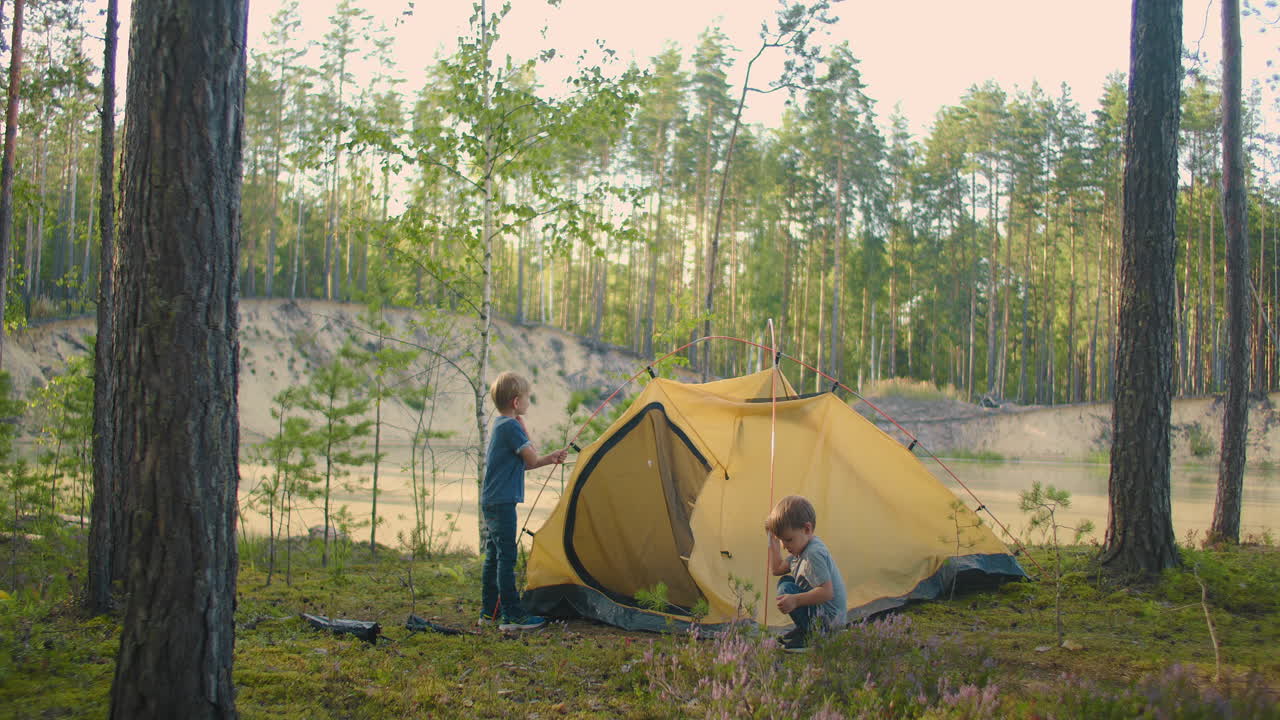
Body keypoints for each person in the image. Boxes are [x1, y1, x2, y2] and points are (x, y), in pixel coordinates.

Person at [480, 371, 569, 631]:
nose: (530, 402)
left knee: (494, 555)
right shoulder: (510, 427)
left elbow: (520, 465)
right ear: (517, 402)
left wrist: (545, 455)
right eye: (528, 398)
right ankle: (512, 616)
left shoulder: (500, 425)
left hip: (492, 500)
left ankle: (488, 612)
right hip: (503, 502)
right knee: (507, 558)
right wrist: (550, 455)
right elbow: (531, 460)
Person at [765, 494, 848, 652]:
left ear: (807, 529)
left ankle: (814, 635)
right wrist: (772, 541)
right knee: (785, 582)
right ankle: (806, 629)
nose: (784, 546)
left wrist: (795, 600)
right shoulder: (800, 549)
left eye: (788, 540)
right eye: (781, 540)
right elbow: (777, 569)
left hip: (830, 621)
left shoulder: (813, 553)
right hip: (819, 613)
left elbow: (827, 593)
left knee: (787, 590)